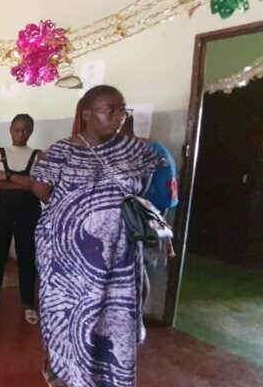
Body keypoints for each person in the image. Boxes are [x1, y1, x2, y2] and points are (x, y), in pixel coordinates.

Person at [32, 85, 168, 387]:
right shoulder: (62, 150)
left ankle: (103, 377)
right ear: (87, 114)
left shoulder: (136, 149)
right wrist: (74, 212)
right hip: (66, 259)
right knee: (67, 315)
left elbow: (153, 181)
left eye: (123, 110)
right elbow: (41, 188)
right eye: (111, 110)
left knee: (112, 318)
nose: (118, 116)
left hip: (117, 258)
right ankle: (62, 368)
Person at [0, 114, 42, 325]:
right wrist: (24, 182)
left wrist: (8, 176)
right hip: (1, 210)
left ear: (31, 132)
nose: (20, 134)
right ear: (10, 129)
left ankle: (28, 303)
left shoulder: (38, 155)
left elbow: (37, 185)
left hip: (29, 211)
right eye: (17, 130)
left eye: (25, 130)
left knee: (26, 255)